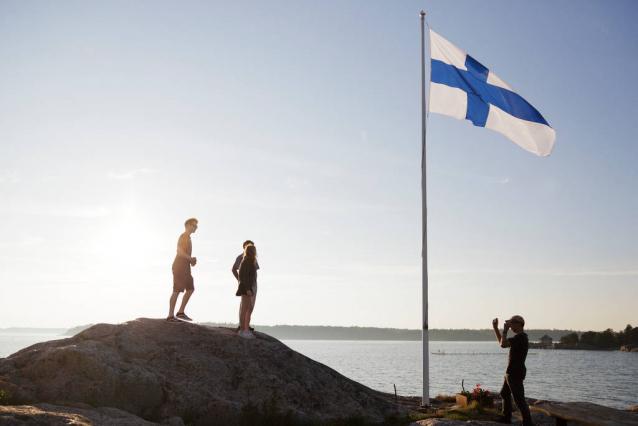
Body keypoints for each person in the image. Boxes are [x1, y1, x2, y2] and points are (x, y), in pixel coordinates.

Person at [492, 315, 532, 426]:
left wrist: (505, 330)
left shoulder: (521, 337)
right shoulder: (518, 338)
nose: (510, 325)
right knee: (504, 393)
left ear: (519, 324)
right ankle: (506, 417)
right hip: (511, 372)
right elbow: (502, 343)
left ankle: (527, 423)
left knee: (519, 400)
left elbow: (503, 344)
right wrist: (496, 328)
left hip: (515, 372)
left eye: (512, 322)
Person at [167, 218, 198, 323]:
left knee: (190, 288)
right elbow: (179, 251)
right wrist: (190, 259)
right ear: (188, 225)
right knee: (177, 290)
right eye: (194, 226)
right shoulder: (184, 236)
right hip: (179, 267)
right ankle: (170, 315)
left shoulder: (189, 238)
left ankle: (180, 312)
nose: (195, 228)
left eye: (196, 226)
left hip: (186, 268)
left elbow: (184, 254)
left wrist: (191, 261)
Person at [232, 240, 259, 331]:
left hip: (252, 284)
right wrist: (240, 281)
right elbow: (237, 271)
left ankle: (246, 325)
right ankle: (242, 327)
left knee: (250, 306)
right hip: (247, 285)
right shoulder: (243, 259)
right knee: (244, 306)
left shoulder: (253, 259)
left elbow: (254, 272)